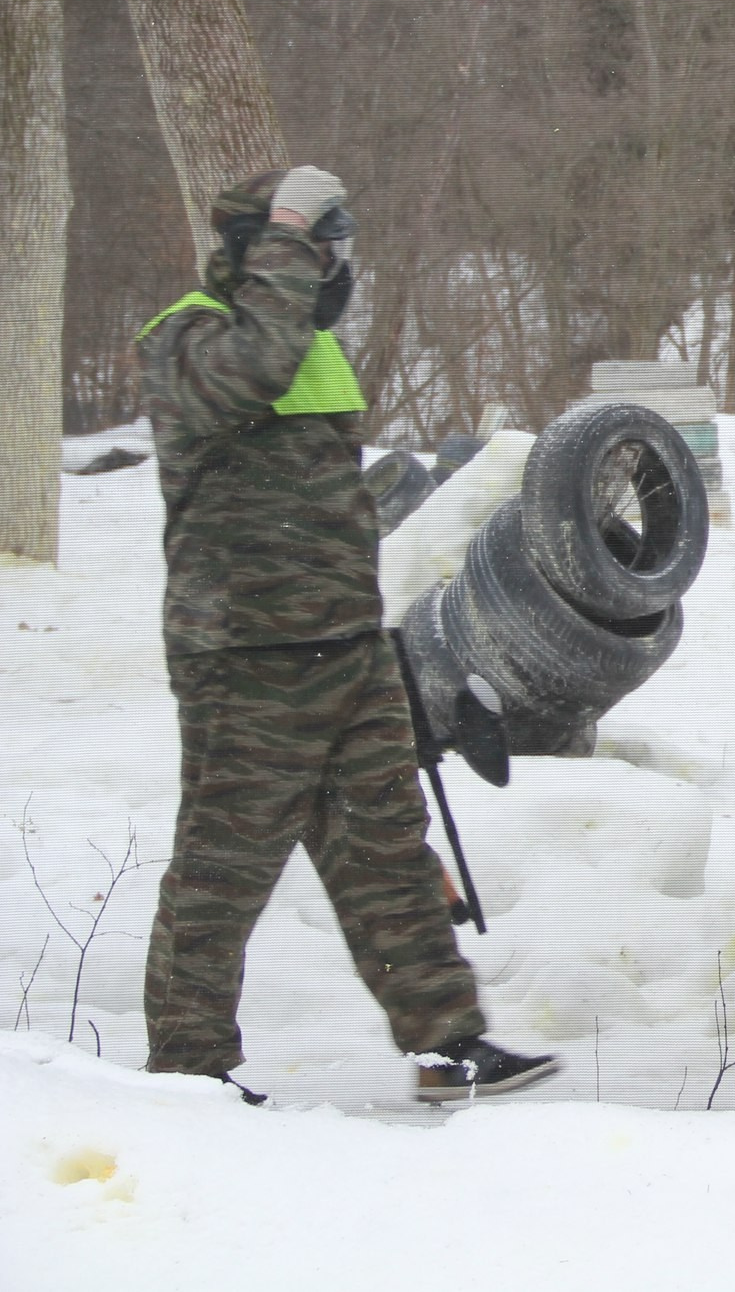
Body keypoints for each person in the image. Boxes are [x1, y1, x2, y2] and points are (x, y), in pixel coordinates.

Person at [136, 167, 557, 1106]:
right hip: (245, 656)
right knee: (225, 861)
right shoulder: (191, 337)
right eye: (319, 248)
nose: (334, 268)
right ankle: (187, 1069)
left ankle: (449, 1046)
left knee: (387, 850)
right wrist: (287, 229)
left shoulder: (304, 344)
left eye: (334, 248)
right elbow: (255, 370)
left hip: (347, 649)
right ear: (265, 251)